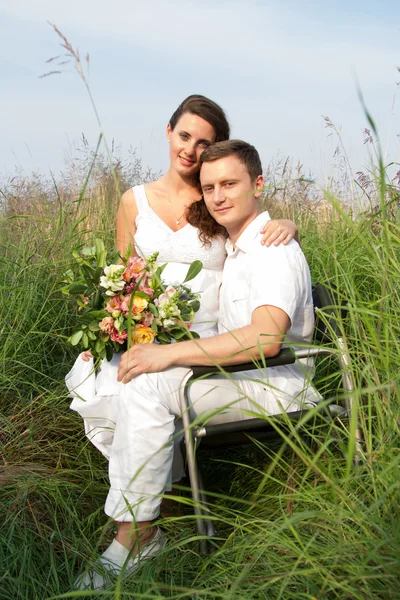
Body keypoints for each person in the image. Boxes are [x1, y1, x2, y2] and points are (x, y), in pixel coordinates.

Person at [71, 140, 319, 590]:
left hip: (276, 383)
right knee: (139, 378)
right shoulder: (239, 245)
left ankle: (133, 538)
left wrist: (165, 354)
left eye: (230, 184)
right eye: (209, 188)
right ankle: (145, 525)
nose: (219, 196)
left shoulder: (272, 248)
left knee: (149, 383)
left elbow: (265, 338)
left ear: (258, 185)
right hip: (242, 377)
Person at [68, 95, 298, 461]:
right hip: (145, 327)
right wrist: (105, 327)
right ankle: (159, 492)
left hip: (207, 333)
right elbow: (120, 277)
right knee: (121, 379)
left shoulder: (217, 200)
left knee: (151, 383)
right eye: (185, 136)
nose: (191, 150)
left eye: (203, 142)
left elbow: (257, 237)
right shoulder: (134, 200)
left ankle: (161, 496)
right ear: (169, 131)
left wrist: (288, 225)